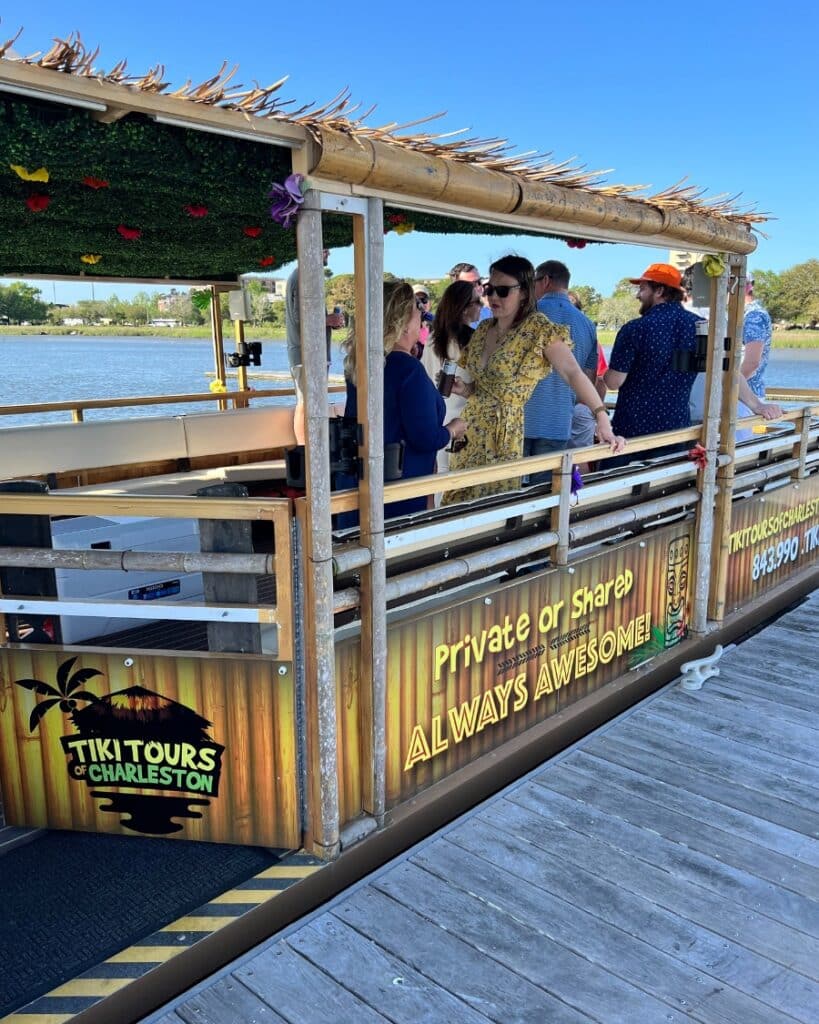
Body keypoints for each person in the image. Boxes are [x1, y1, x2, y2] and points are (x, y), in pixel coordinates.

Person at [443, 256, 624, 505]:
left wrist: (602, 419)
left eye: (503, 290)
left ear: (525, 293)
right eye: (489, 289)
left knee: (492, 510)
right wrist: (465, 389)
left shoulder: (538, 328)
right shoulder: (483, 329)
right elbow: (486, 387)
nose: (493, 297)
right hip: (469, 431)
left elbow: (573, 372)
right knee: (458, 504)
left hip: (503, 436)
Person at [342, 281, 466, 519]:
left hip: (361, 483)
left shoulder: (358, 364)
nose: (422, 320)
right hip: (399, 492)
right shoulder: (408, 369)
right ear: (402, 324)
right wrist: (453, 429)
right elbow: (425, 438)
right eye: (419, 314)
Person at [604, 262, 700, 459]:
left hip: (631, 432)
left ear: (659, 291)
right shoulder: (699, 327)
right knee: (668, 486)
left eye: (642, 289)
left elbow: (613, 382)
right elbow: (723, 372)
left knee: (622, 486)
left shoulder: (635, 329)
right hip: (676, 428)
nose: (638, 295)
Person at [523, 260, 599, 484]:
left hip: (521, 419)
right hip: (559, 421)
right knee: (547, 491)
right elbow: (588, 376)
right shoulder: (587, 324)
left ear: (545, 281)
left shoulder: (528, 315)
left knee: (511, 494)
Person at [285, 248, 345, 444]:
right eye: (324, 250)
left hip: (316, 355)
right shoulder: (301, 276)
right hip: (305, 355)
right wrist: (328, 319)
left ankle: (312, 451)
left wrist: (330, 322)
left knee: (314, 403)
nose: (328, 254)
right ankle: (305, 453)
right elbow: (299, 318)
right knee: (306, 403)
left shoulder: (309, 277)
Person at [421, 280, 479, 474]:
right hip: (466, 422)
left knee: (442, 475)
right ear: (464, 309)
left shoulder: (431, 339)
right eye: (477, 302)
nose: (482, 305)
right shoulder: (475, 341)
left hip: (437, 419)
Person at [740, 272, 773, 399]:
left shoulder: (753, 316)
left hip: (747, 398)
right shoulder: (746, 314)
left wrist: (726, 388)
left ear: (749, 287)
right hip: (746, 396)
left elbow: (752, 362)